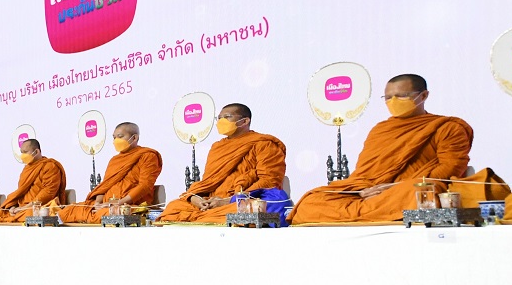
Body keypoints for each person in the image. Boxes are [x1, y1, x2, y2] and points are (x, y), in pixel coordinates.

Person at [290, 74, 473, 225]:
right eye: (388, 97)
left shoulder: (447, 127)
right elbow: (364, 173)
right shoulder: (380, 130)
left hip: (404, 191)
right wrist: (362, 191)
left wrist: (393, 187)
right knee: (311, 201)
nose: (393, 101)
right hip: (370, 192)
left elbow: (450, 168)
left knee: (419, 192)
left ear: (423, 96)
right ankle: (371, 212)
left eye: (401, 96)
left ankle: (359, 213)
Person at [157, 104, 288, 224]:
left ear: (244, 121)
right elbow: (208, 182)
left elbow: (269, 181)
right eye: (219, 118)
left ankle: (206, 217)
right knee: (174, 207)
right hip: (211, 202)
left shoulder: (265, 144)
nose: (221, 121)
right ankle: (206, 216)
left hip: (239, 201)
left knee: (249, 210)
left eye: (227, 117)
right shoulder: (217, 147)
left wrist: (228, 200)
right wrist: (196, 199)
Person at [58, 123, 163, 223]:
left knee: (117, 213)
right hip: (105, 204)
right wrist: (97, 203)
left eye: (120, 136)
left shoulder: (148, 156)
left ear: (134, 138)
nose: (116, 140)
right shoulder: (114, 160)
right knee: (68, 211)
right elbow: (105, 186)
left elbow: (144, 186)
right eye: (114, 137)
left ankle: (101, 214)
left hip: (129, 204)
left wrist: (117, 203)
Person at [0, 139, 69, 222]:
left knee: (31, 214)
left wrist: (24, 208)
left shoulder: (50, 166)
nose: (22, 155)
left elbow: (48, 193)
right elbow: (21, 192)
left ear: (36, 152)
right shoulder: (26, 169)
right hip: (22, 208)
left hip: (40, 207)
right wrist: (13, 207)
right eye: (21, 152)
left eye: (25, 152)